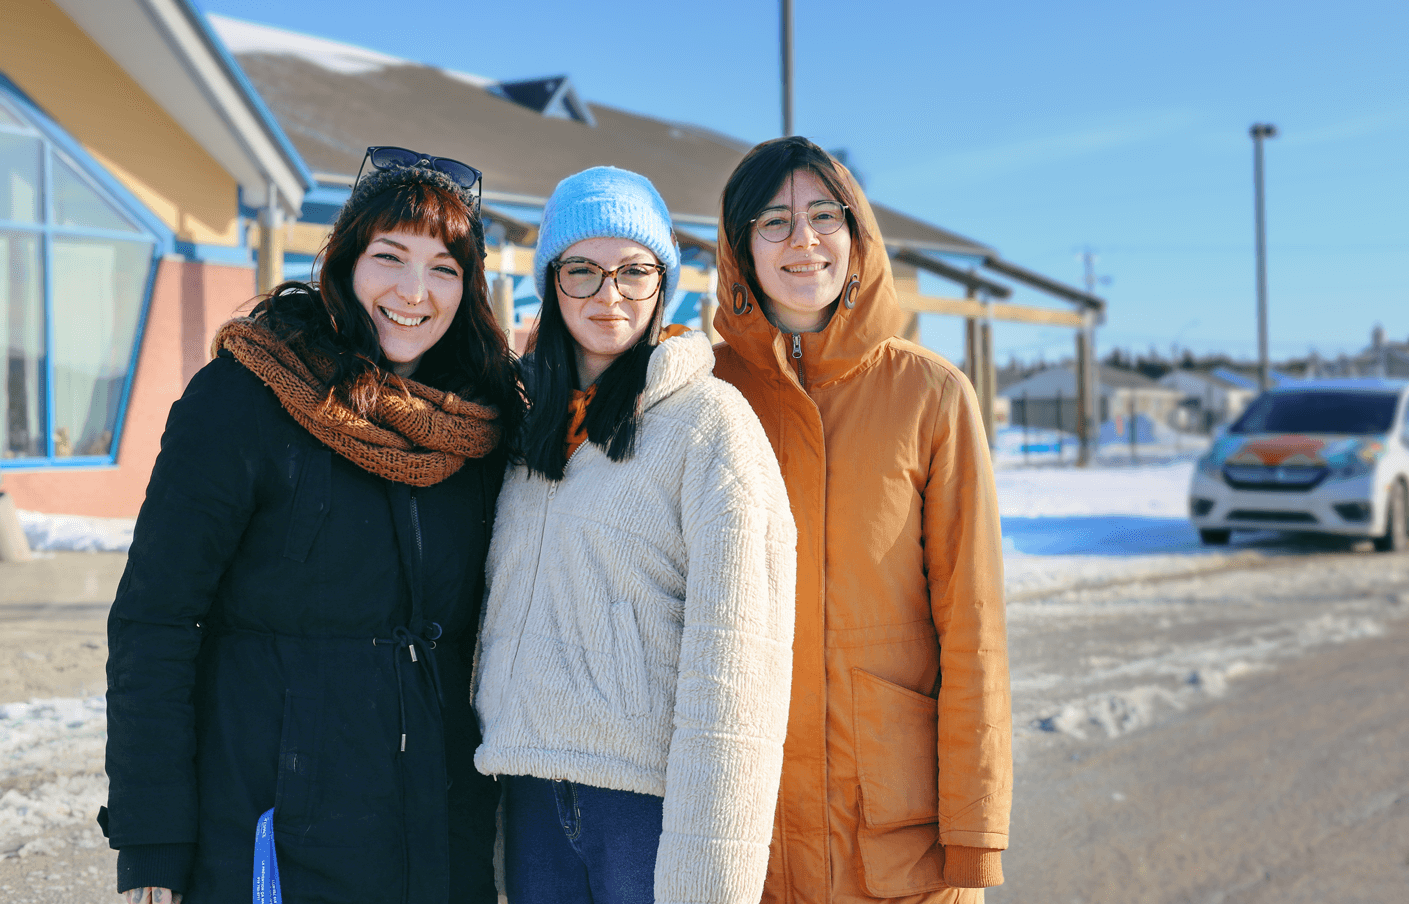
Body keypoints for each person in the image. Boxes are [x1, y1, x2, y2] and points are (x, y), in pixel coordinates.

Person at [102, 148, 522, 903]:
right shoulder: (247, 397)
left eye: (445, 268)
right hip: (269, 840)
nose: (414, 292)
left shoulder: (480, 425)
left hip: (436, 837)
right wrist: (153, 841)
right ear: (344, 259)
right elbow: (156, 618)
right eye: (390, 256)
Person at [473, 166, 796, 904]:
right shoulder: (527, 430)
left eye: (633, 271)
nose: (608, 295)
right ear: (551, 282)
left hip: (643, 814)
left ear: (664, 283)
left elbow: (739, 669)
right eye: (582, 270)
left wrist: (710, 879)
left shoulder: (710, 426)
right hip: (526, 797)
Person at [711, 137, 1012, 904]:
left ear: (857, 235)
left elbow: (973, 627)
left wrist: (976, 834)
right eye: (773, 220)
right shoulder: (701, 391)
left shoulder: (931, 394)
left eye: (823, 216)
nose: (802, 240)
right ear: (741, 244)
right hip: (750, 829)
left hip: (896, 838)